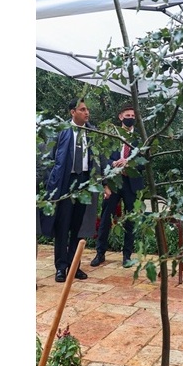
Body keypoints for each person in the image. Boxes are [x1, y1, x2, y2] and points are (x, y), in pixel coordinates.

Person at [46, 99, 107, 283]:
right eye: (82, 109)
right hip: (66, 182)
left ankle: (74, 266)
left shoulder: (92, 132)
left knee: (78, 227)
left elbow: (100, 158)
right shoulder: (61, 131)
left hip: (85, 183)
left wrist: (105, 182)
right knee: (62, 227)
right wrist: (53, 182)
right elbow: (50, 158)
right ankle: (61, 268)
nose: (87, 112)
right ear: (73, 112)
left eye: (87, 109)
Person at [90, 107, 143, 269]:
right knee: (105, 218)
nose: (130, 118)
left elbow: (144, 162)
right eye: (127, 115)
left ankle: (127, 255)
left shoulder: (140, 139)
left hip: (131, 183)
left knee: (130, 220)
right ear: (120, 117)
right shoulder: (111, 136)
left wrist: (129, 162)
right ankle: (100, 253)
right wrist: (113, 164)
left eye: (133, 116)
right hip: (113, 182)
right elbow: (101, 157)